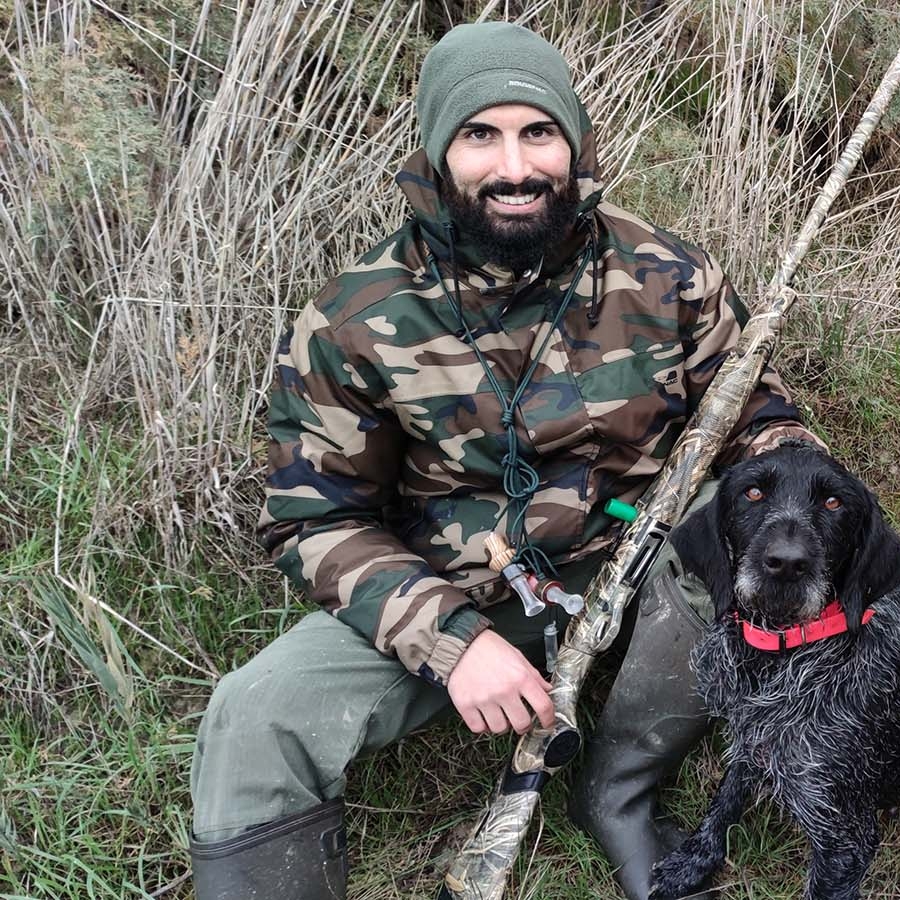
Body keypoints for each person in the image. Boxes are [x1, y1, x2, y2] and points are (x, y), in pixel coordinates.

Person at [187, 22, 812, 899]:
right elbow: (315, 518)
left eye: (538, 132)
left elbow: (761, 423)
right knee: (254, 718)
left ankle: (622, 791)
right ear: (440, 150)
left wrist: (796, 490)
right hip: (461, 588)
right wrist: (452, 640)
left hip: (647, 580)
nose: (515, 168)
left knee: (742, 536)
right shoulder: (353, 315)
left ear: (574, 142)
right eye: (481, 135)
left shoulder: (667, 272)